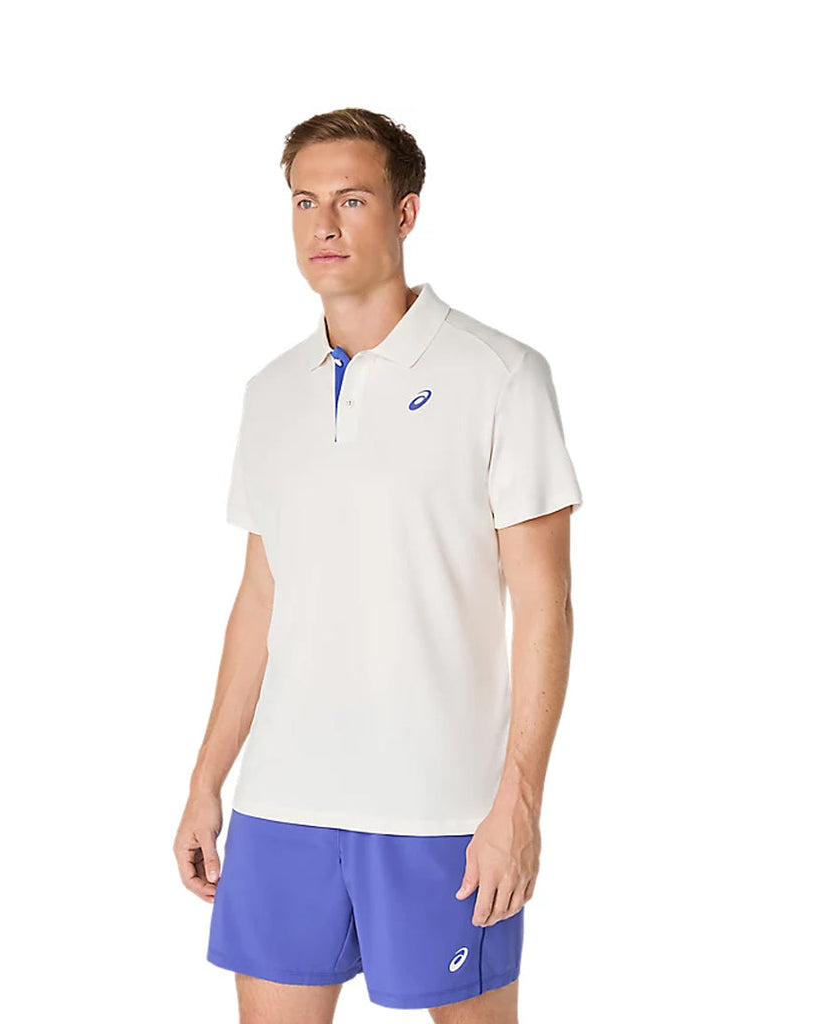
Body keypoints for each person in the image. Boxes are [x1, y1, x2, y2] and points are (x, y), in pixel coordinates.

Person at [173, 107, 583, 1023]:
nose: (323, 224)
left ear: (405, 213)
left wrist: (519, 802)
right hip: (283, 803)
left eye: (351, 200)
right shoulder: (271, 393)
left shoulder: (500, 375)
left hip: (440, 811)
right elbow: (261, 599)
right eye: (304, 201)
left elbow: (545, 605)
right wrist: (207, 779)